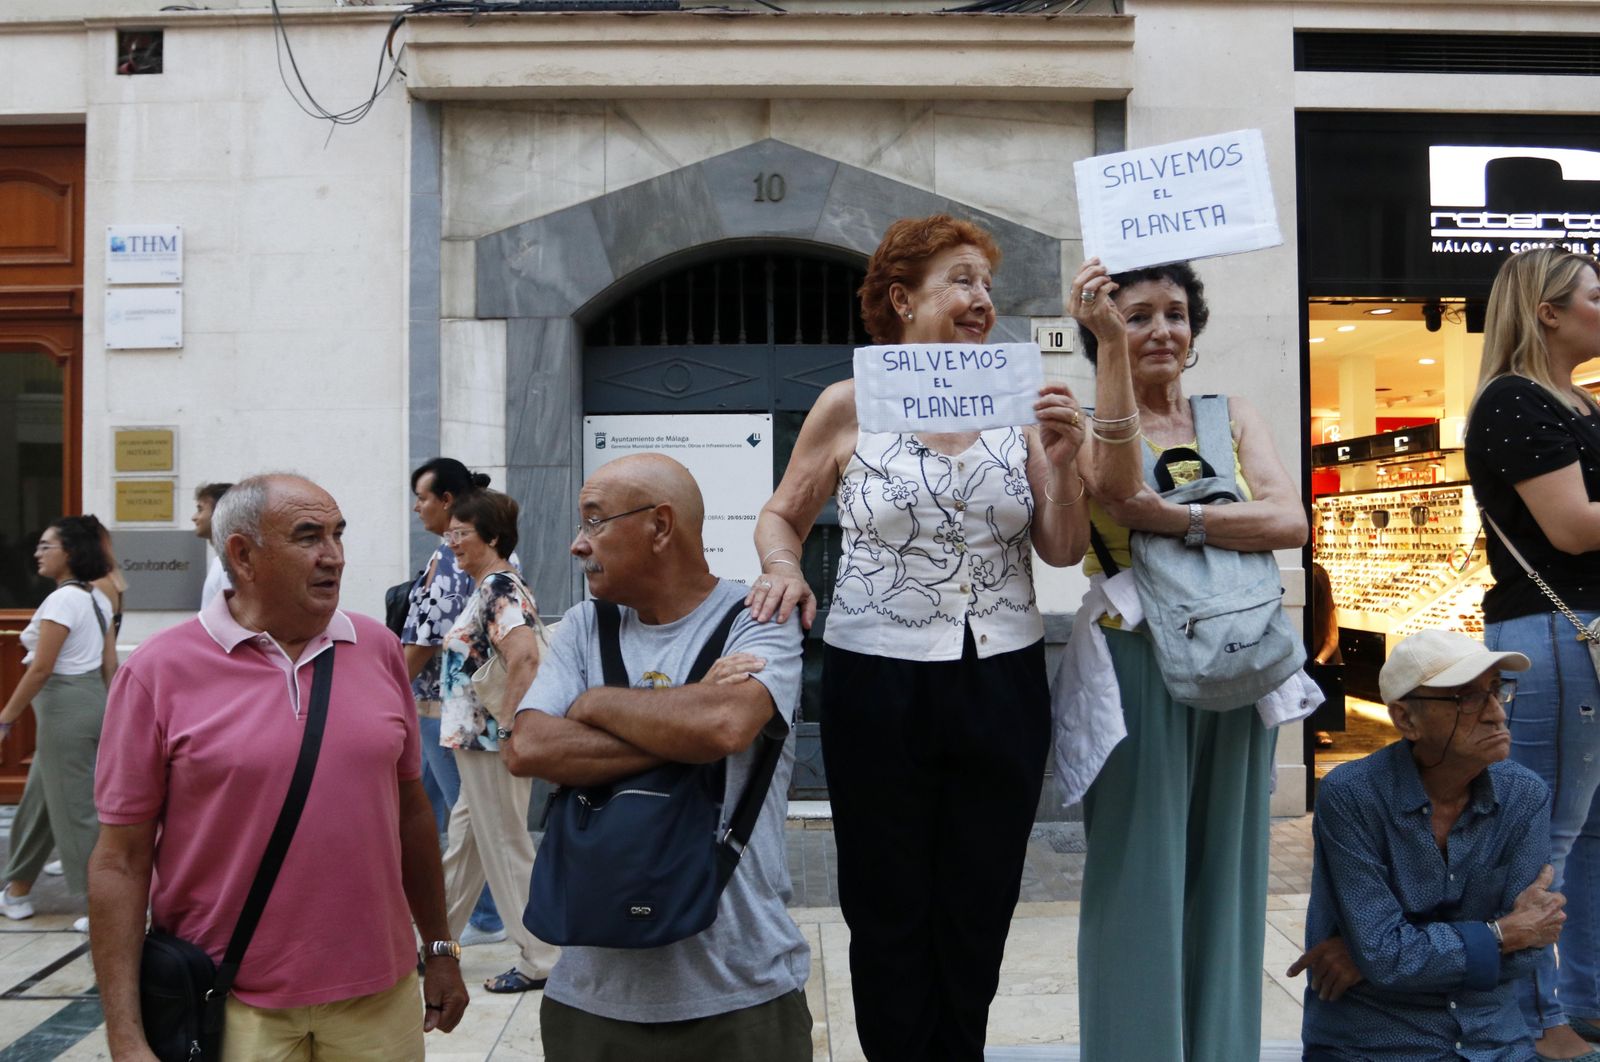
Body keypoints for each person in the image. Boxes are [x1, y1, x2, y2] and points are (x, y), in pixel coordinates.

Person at [748, 213, 1088, 1059]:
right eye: (962, 281)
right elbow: (781, 516)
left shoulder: (1019, 403)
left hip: (1000, 676)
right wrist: (784, 566)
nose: (983, 301)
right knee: (887, 898)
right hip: (877, 675)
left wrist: (1067, 456)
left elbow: (1062, 546)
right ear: (903, 299)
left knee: (979, 898)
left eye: (986, 284)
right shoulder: (847, 404)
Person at [88, 474, 468, 1060]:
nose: (333, 556)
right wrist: (125, 1032)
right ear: (242, 555)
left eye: (338, 534)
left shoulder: (378, 649)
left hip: (380, 995)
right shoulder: (159, 671)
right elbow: (120, 860)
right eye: (308, 536)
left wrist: (441, 950)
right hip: (232, 997)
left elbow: (412, 815)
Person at [1067, 258, 1308, 1061]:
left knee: (1230, 870)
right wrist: (1108, 357)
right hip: (1136, 657)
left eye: (1174, 313)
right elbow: (1110, 488)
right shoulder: (1084, 417)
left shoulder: (1230, 412)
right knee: (1140, 871)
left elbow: (1290, 521)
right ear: (1103, 329)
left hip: (1239, 656)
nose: (1160, 330)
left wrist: (1182, 523)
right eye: (1135, 316)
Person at [509, 453, 812, 1060]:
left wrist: (590, 702)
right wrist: (683, 713)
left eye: (594, 521)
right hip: (589, 1004)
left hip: (742, 997)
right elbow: (531, 747)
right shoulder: (579, 627)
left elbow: (724, 726)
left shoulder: (761, 617)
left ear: (661, 526)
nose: (577, 544)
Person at [1294, 629, 1568, 1062]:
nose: (1497, 714)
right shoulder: (1352, 795)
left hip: (1493, 1041)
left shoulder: (1524, 796)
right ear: (1406, 720)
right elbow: (1384, 955)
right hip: (1376, 1042)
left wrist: (1371, 956)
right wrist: (1499, 935)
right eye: (1468, 698)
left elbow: (1531, 948)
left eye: (1497, 691)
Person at [1466, 247, 1600, 1058]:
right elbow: (1574, 528)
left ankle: (1583, 1000)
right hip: (1555, 635)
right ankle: (1540, 1013)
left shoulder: (1576, 401)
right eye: (1595, 293)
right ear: (1548, 311)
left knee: (1589, 834)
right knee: (1544, 834)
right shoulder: (1515, 402)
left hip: (1579, 634)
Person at [434, 488, 561, 993]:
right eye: (450, 534)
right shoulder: (490, 586)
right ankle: (429, 944)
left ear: (490, 536)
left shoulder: (498, 588)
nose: (452, 543)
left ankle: (543, 958)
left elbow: (524, 656)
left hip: (490, 740)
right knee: (466, 846)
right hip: (476, 742)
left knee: (506, 846)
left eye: (460, 534)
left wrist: (510, 728)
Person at [401, 456, 504, 945]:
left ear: (446, 501)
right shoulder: (476, 548)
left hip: (442, 708)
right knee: (422, 809)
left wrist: (389, 686)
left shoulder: (449, 557)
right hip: (445, 708)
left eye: (423, 497)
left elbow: (426, 637)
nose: (416, 507)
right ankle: (429, 909)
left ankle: (486, 917)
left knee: (466, 814)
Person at [0, 515, 118, 930]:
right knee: (42, 803)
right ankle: (16, 889)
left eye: (46, 546)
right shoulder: (97, 598)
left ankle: (100, 905)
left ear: (69, 553)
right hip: (91, 702)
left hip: (64, 709)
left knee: (76, 811)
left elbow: (40, 669)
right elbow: (110, 664)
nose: (37, 552)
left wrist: (6, 719)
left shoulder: (62, 601)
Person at [194, 481, 233, 608]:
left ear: (219, 513)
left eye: (200, 509)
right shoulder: (222, 561)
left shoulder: (232, 564)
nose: (194, 517)